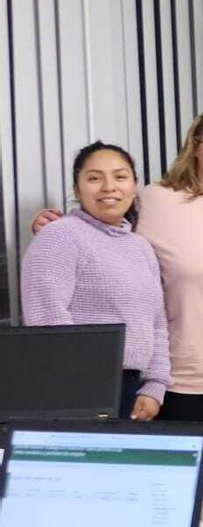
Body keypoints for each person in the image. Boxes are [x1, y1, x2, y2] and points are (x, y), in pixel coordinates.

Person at [28, 110, 203, 428]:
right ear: (195, 146)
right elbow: (100, 225)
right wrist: (53, 223)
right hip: (182, 376)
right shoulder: (154, 200)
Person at [22, 142, 169, 419]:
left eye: (120, 176)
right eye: (94, 178)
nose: (109, 187)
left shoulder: (140, 246)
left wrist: (155, 386)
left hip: (132, 390)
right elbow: (47, 320)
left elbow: (157, 324)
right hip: (79, 390)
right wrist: (90, 388)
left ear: (135, 185)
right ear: (77, 189)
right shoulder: (60, 236)